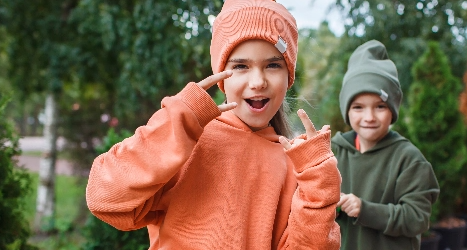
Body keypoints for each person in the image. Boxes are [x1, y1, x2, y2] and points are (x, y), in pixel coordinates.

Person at [85, 0, 341, 249]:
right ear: (221, 78)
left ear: (289, 77)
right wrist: (179, 122)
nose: (258, 81)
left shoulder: (295, 165)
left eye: (273, 65)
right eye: (241, 66)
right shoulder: (187, 140)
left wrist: (319, 191)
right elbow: (105, 198)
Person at [332, 40, 440, 250]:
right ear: (347, 111)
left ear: (392, 110)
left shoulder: (409, 159)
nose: (369, 117)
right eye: (358, 107)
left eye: (380, 106)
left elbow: (418, 218)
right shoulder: (333, 152)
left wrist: (365, 209)